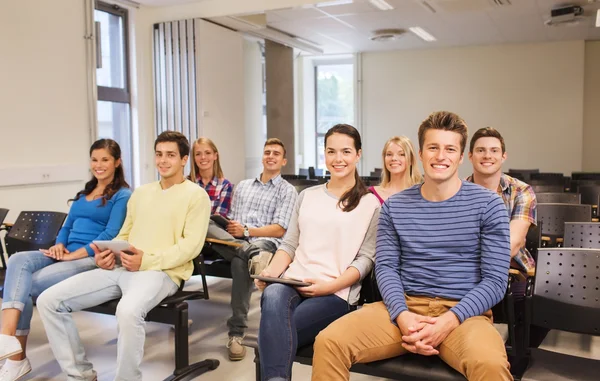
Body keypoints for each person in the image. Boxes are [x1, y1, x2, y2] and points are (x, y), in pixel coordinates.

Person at [312, 111, 513, 381]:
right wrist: (403, 315)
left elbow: (495, 281)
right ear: (420, 153)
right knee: (328, 342)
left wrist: (449, 321)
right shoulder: (395, 207)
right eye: (433, 147)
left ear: (461, 156)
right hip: (401, 309)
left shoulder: (489, 205)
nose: (440, 156)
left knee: (490, 365)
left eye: (449, 149)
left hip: (464, 315)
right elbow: (385, 267)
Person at [36, 131, 210, 381]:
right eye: (159, 154)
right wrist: (106, 254)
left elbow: (190, 247)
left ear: (184, 160)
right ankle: (81, 375)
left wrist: (146, 260)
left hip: (161, 273)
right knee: (48, 300)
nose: (163, 160)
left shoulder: (196, 195)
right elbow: (125, 233)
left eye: (170, 155)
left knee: (128, 312)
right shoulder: (142, 193)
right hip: (122, 267)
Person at [255, 124, 380, 381]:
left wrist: (329, 286)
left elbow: (366, 260)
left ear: (358, 154)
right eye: (331, 151)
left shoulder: (370, 204)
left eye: (346, 151)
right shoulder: (308, 196)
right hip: (293, 280)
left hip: (336, 293)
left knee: (274, 331)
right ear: (324, 154)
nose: (338, 159)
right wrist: (270, 272)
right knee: (274, 293)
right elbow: (289, 245)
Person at [0, 139, 131, 381]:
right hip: (64, 253)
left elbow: (109, 235)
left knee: (28, 285)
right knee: (18, 261)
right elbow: (67, 225)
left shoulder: (122, 195)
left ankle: (16, 360)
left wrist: (73, 255)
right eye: (94, 159)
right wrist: (59, 245)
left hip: (90, 259)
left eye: (105, 160)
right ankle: (6, 338)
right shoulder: (85, 193)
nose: (98, 165)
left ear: (117, 162)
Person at [206, 138, 297, 361]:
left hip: (266, 243)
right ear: (262, 156)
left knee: (240, 261)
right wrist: (232, 227)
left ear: (283, 160)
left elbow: (279, 230)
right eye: (267, 152)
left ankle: (236, 334)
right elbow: (233, 222)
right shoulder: (244, 186)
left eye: (276, 153)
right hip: (238, 242)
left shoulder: (288, 191)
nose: (271, 156)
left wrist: (247, 231)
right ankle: (252, 256)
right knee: (205, 221)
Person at [466, 127, 537, 272]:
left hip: (514, 271)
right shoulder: (457, 191)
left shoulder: (522, 191)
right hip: (466, 273)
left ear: (503, 156)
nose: (487, 155)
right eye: (480, 150)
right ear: (470, 156)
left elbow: (512, 244)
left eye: (494, 150)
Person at [369, 136, 422, 204]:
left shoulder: (423, 194)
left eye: (401, 154)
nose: (394, 158)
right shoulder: (371, 194)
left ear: (411, 159)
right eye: (389, 154)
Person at [190, 137, 233, 217]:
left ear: (215, 156)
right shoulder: (187, 183)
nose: (203, 157)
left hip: (212, 229)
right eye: (198, 154)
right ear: (194, 158)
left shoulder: (225, 186)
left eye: (208, 153)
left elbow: (218, 220)